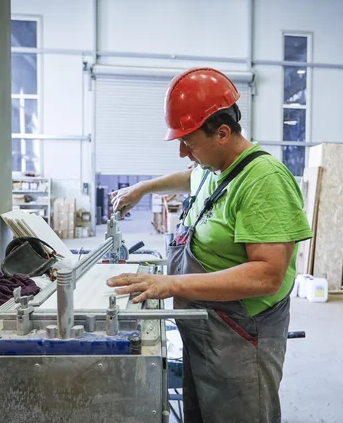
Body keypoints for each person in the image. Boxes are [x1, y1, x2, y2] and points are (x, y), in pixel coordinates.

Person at [107, 67, 312, 423]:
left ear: (222, 132)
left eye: (189, 142)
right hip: (206, 325)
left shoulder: (264, 182)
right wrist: (141, 188)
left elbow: (266, 276)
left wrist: (170, 284)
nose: (185, 153)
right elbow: (191, 177)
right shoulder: (214, 165)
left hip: (241, 336)